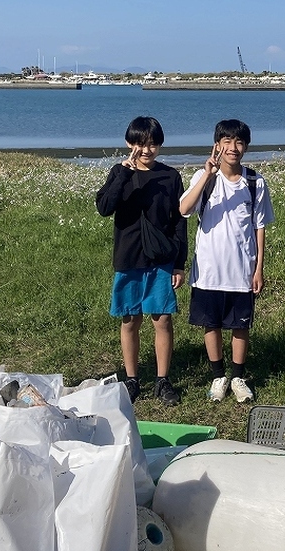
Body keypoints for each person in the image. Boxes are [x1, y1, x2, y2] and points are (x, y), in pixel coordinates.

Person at [179, 119, 275, 403]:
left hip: (242, 270)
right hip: (209, 269)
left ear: (245, 146)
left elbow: (260, 227)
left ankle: (238, 376)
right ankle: (218, 375)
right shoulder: (203, 177)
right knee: (212, 324)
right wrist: (208, 175)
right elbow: (184, 209)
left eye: (239, 142)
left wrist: (258, 268)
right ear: (217, 145)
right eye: (227, 141)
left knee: (240, 324)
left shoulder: (255, 182)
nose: (233, 148)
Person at [96, 116, 187, 406]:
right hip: (128, 256)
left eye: (152, 144)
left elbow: (179, 221)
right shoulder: (119, 172)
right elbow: (104, 207)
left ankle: (163, 380)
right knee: (130, 319)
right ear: (128, 144)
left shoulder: (171, 176)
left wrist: (179, 262)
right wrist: (124, 172)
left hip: (161, 257)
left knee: (162, 319)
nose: (146, 150)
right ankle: (132, 379)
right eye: (140, 144)